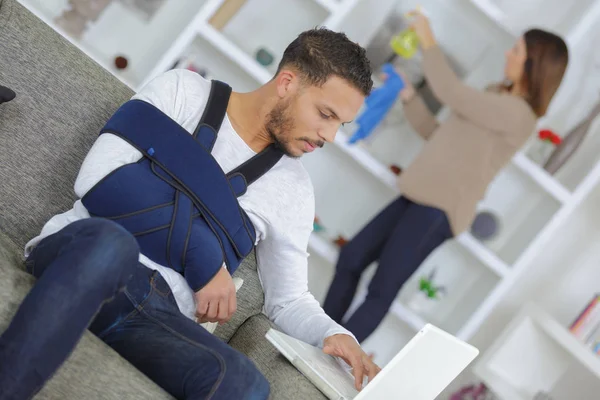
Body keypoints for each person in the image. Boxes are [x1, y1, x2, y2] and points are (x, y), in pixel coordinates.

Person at [0, 28, 381, 400]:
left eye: (340, 124)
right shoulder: (184, 91)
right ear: (286, 82)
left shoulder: (294, 191)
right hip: (83, 259)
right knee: (111, 243)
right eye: (325, 114)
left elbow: (288, 298)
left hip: (153, 314)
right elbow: (99, 182)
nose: (330, 136)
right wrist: (205, 261)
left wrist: (335, 335)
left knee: (246, 385)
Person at [323, 11, 569, 343]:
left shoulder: (518, 115)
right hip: (419, 195)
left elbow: (451, 92)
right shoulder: (495, 95)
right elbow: (439, 136)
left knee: (382, 288)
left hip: (439, 211)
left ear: (533, 66)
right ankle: (318, 336)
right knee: (352, 258)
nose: (508, 55)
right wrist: (411, 99)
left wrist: (428, 41)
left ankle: (329, 358)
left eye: (517, 51)